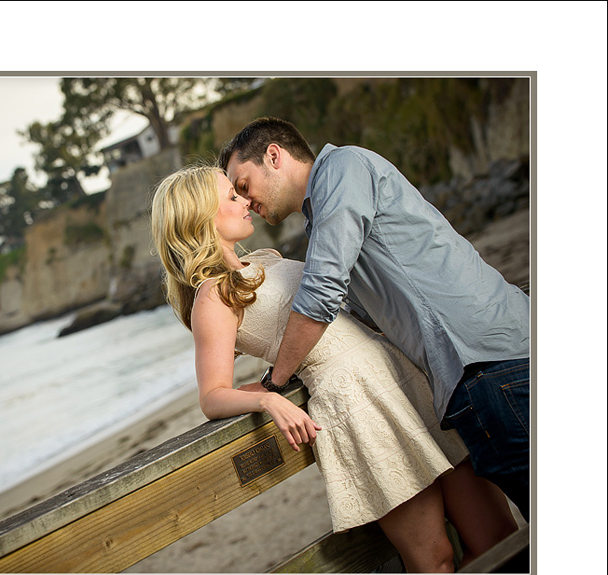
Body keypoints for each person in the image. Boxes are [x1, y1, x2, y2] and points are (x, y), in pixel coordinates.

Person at [150, 165, 518, 573]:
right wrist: (271, 402)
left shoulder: (266, 259)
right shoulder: (212, 297)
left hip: (404, 377)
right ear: (201, 216)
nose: (245, 202)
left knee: (496, 536)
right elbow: (212, 395)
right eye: (231, 197)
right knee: (434, 562)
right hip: (356, 407)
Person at [219, 117, 531, 521]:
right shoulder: (326, 216)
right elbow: (365, 317)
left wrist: (274, 382)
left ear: (274, 156)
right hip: (481, 365)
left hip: (486, 362)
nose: (246, 202)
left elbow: (320, 294)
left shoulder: (341, 170)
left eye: (243, 185)